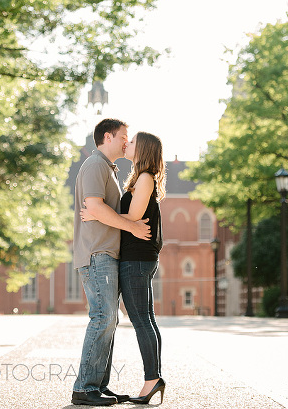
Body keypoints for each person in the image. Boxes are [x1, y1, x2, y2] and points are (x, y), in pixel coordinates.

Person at [82, 131, 167, 405]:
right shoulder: (139, 177)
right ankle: (153, 378)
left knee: (142, 319)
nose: (127, 144)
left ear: (142, 149)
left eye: (132, 142)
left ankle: (152, 380)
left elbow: (133, 217)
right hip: (136, 257)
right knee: (145, 318)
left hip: (138, 258)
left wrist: (98, 213)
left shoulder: (145, 178)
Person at [71, 118, 151, 407]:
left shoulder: (107, 168)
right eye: (123, 137)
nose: (127, 142)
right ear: (108, 136)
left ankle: (98, 386)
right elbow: (94, 206)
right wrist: (131, 227)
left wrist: (108, 216)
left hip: (106, 252)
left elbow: (100, 209)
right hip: (96, 253)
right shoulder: (94, 165)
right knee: (103, 318)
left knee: (109, 319)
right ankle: (84, 387)